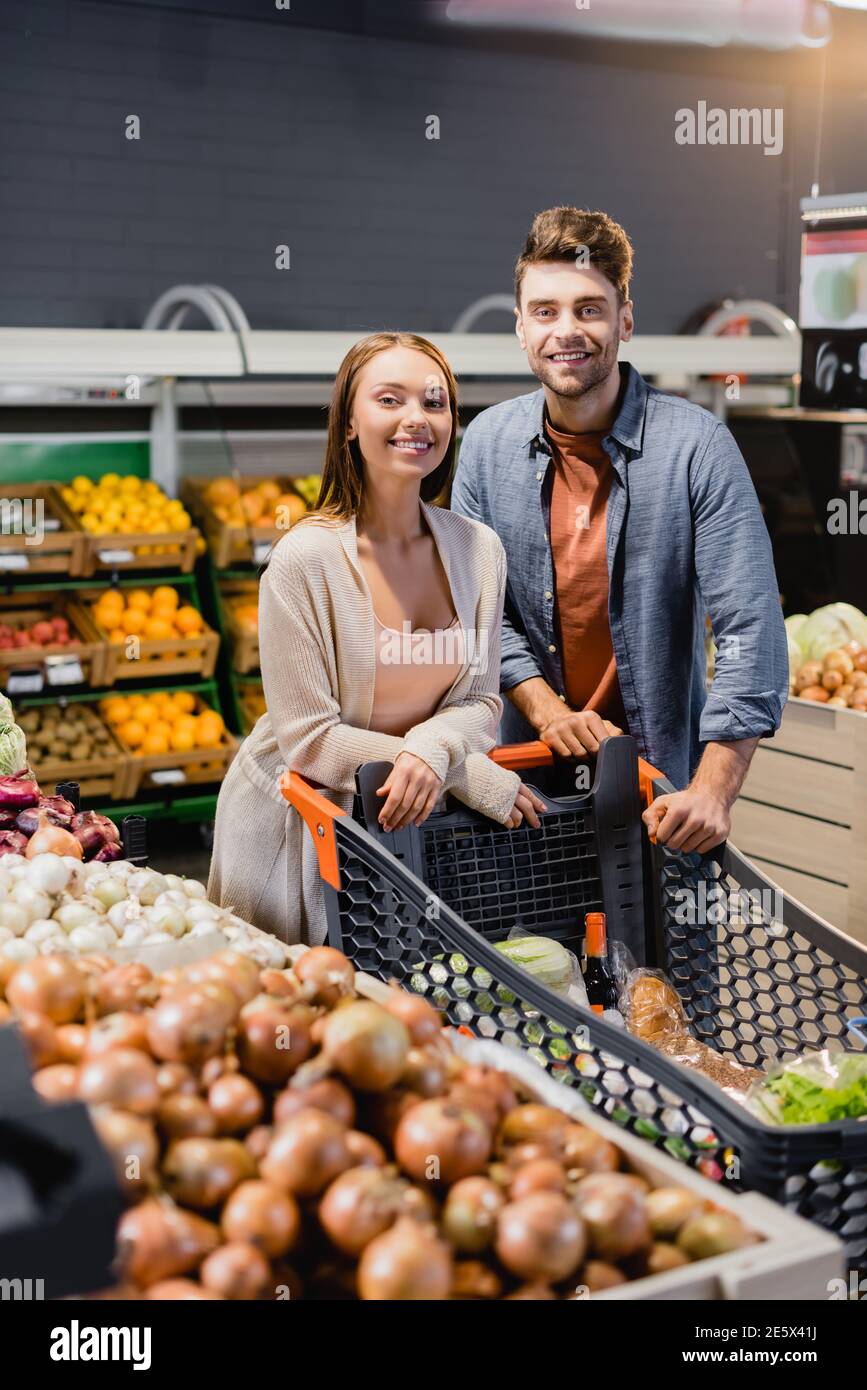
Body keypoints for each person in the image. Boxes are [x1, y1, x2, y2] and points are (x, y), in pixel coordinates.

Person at [451, 206, 788, 855]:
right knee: (527, 953)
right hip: (521, 784)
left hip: (659, 797)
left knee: (663, 956)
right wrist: (548, 712)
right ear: (520, 327)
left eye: (588, 308)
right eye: (544, 311)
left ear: (624, 319)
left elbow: (751, 631)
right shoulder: (487, 444)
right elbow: (477, 612)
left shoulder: (696, 448)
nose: (565, 330)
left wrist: (712, 791)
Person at [208, 331, 546, 944]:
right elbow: (309, 741)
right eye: (390, 400)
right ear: (348, 425)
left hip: (406, 822)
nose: (416, 418)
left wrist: (431, 752)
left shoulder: (479, 551)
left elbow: (480, 704)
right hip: (299, 827)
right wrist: (457, 771)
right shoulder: (302, 561)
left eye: (434, 402)